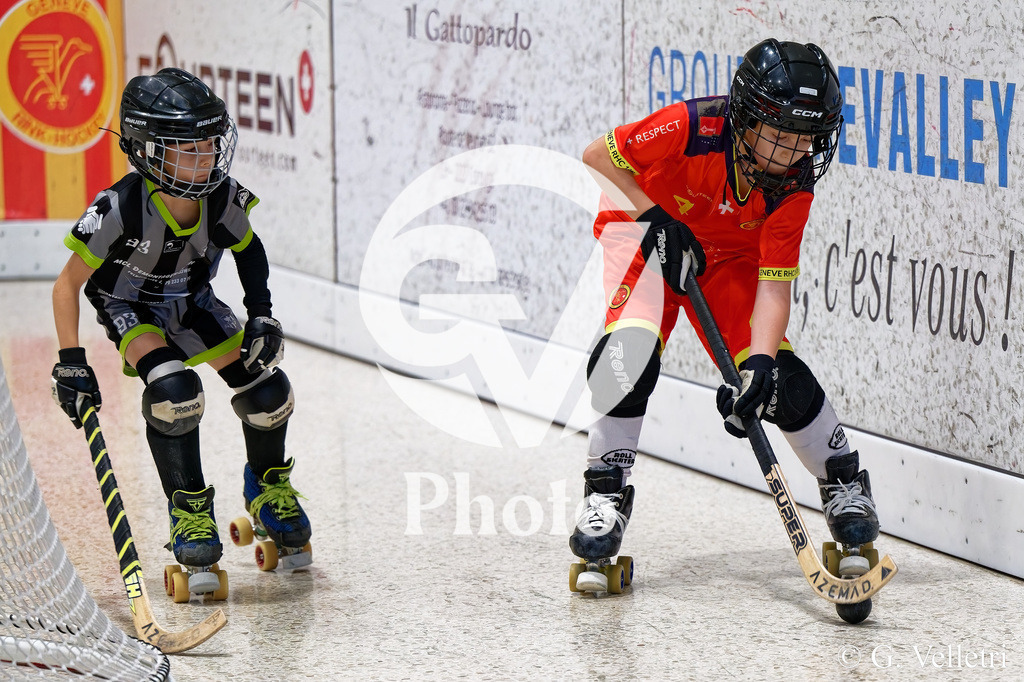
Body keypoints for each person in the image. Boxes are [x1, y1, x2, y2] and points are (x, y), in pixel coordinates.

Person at [570, 39, 879, 585]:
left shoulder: (795, 183)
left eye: (804, 139)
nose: (789, 153)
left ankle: (844, 485)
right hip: (645, 233)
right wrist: (656, 218)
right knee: (628, 356)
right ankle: (604, 496)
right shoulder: (691, 126)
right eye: (778, 135)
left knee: (780, 379)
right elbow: (598, 157)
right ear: (747, 117)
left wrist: (757, 367)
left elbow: (774, 286)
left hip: (730, 256)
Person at [50, 68, 311, 588]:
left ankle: (265, 485)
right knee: (175, 395)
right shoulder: (119, 207)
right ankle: (188, 509)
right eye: (187, 149)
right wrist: (71, 364)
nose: (206, 159)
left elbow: (249, 251)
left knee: (269, 391)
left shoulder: (221, 196)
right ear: (146, 151)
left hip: (193, 302)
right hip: (131, 306)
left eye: (210, 146)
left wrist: (261, 312)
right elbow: (66, 286)